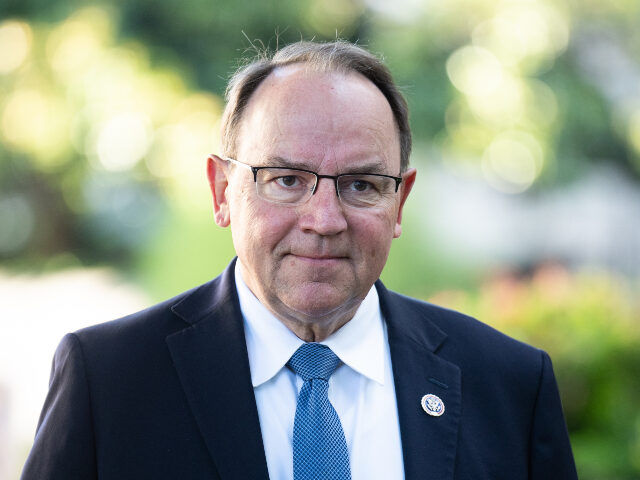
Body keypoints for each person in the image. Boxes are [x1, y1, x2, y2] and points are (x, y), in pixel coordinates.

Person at [21, 41, 578, 480]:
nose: (324, 219)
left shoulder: (508, 386)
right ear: (222, 191)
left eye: (361, 184)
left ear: (399, 202)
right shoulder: (110, 381)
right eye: (286, 180)